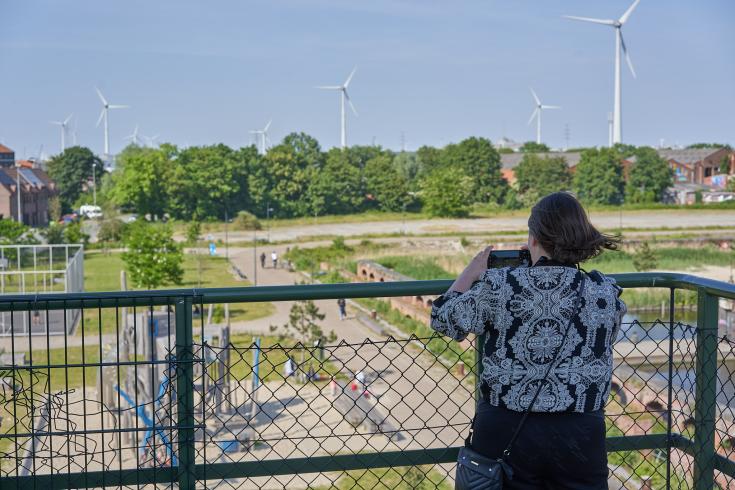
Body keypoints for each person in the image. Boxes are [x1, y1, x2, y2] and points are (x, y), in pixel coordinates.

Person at [430, 192, 626, 489]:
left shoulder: (501, 285)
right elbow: (603, 336)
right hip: (581, 433)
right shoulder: (604, 291)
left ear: (534, 238)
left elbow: (444, 319)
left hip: (507, 428)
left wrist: (471, 272)